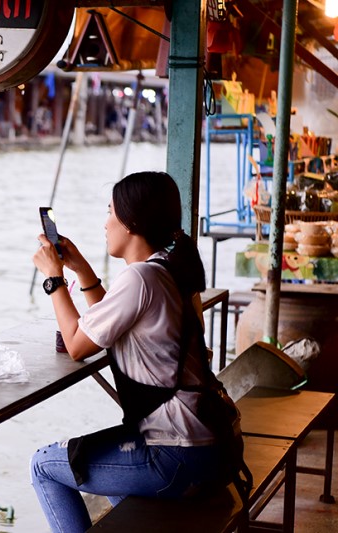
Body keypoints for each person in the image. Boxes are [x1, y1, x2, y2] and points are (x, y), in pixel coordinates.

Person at [30, 171, 248, 532]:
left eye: (109, 212)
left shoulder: (140, 278)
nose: (105, 223)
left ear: (131, 223)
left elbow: (76, 345)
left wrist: (54, 280)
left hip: (178, 452)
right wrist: (81, 268)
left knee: (43, 466)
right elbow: (111, 323)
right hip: (215, 445)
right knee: (117, 487)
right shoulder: (168, 267)